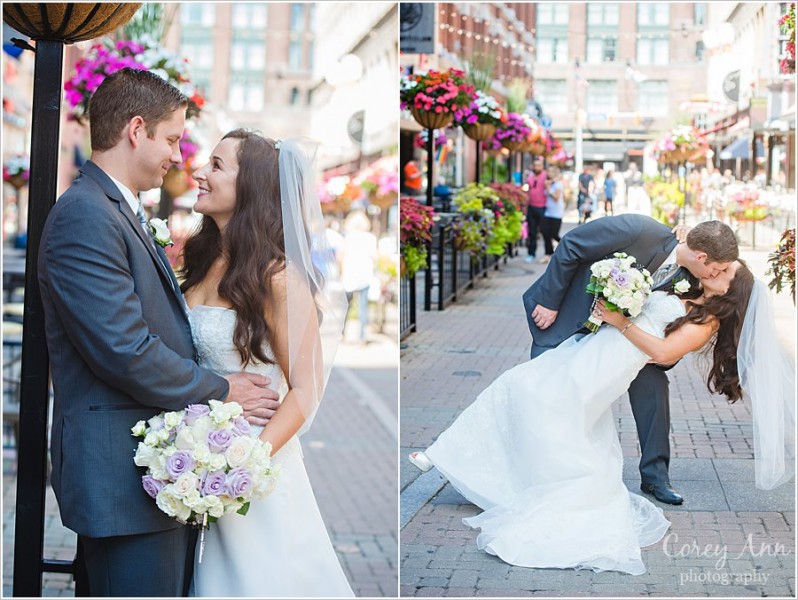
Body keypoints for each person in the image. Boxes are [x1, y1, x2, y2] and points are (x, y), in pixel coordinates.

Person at [37, 69, 280, 597]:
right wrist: (222, 390)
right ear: (136, 129)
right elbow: (123, 349)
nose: (177, 156)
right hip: (121, 485)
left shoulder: (112, 210)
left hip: (149, 481)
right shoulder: (85, 215)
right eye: (171, 139)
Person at [409, 260, 794, 574]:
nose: (719, 270)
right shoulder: (688, 292)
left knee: (541, 403)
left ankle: (536, 482)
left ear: (732, 290)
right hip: (590, 349)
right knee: (518, 385)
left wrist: (619, 321)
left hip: (610, 364)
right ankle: (446, 454)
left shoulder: (707, 322)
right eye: (721, 266)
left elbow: (661, 353)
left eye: (728, 272)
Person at [183, 130, 353, 597]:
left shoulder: (279, 278)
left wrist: (243, 467)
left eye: (216, 165)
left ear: (251, 186)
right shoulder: (201, 260)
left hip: (252, 468)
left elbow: (305, 390)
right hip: (193, 462)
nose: (200, 172)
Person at [522, 216, 740, 506]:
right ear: (701, 257)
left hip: (624, 339)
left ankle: (655, 476)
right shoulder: (638, 230)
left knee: (653, 384)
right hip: (566, 317)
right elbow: (572, 244)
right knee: (541, 393)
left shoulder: (693, 279)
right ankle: (536, 470)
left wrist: (661, 355)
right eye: (718, 268)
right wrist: (549, 301)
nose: (718, 274)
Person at [340, 209, 378, 344]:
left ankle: (342, 333)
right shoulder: (370, 238)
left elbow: (341, 256)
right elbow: (374, 257)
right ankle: (362, 336)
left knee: (346, 306)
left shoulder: (348, 237)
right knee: (363, 307)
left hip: (350, 274)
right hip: (364, 274)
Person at [539, 165, 564, 264]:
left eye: (551, 172)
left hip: (556, 213)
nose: (549, 174)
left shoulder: (558, 184)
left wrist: (549, 189)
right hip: (548, 212)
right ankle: (547, 254)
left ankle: (567, 246)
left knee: (554, 234)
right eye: (548, 172)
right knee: (545, 233)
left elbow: (556, 197)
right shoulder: (549, 183)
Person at [525, 158, 547, 263]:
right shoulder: (530, 177)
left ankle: (547, 254)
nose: (536, 167)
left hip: (543, 207)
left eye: (539, 165)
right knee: (532, 232)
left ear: (542, 167)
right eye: (535, 165)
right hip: (531, 207)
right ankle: (531, 253)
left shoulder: (546, 176)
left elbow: (557, 177)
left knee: (544, 231)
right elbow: (528, 190)